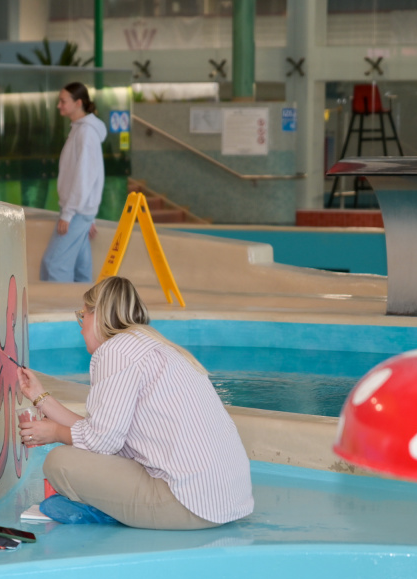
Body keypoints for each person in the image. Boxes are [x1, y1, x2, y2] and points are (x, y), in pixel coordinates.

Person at [17, 277, 254, 530]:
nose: (81, 327)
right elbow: (100, 431)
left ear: (98, 315)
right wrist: (40, 397)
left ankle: (107, 510)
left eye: (82, 316)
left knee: (59, 462)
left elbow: (101, 441)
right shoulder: (151, 345)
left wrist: (55, 433)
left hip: (186, 504)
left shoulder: (114, 351)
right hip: (225, 502)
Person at [40, 82, 107, 283]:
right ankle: (84, 304)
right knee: (80, 270)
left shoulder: (86, 133)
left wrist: (69, 213)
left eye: (63, 101)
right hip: (81, 211)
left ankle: (59, 305)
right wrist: (89, 216)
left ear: (78, 103)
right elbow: (88, 174)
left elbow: (85, 176)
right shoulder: (80, 130)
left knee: (54, 265)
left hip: (76, 212)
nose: (59, 105)